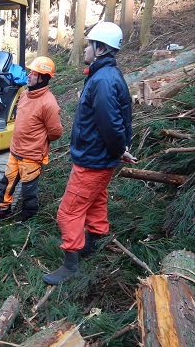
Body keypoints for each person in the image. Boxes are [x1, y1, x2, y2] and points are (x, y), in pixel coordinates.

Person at [43, 22, 137, 285]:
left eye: (89, 43)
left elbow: (112, 124)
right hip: (99, 157)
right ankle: (94, 243)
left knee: (68, 212)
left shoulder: (104, 80)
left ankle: (70, 265)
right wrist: (119, 151)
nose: (85, 48)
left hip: (93, 160)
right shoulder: (102, 76)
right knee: (96, 200)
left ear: (101, 48)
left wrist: (119, 151)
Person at [0, 56, 63, 224]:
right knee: (7, 183)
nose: (29, 75)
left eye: (34, 73)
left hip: (32, 156)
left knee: (29, 191)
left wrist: (38, 141)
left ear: (43, 77)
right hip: (15, 151)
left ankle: (28, 219)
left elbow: (55, 132)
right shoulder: (26, 94)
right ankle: (1, 211)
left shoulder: (49, 103)